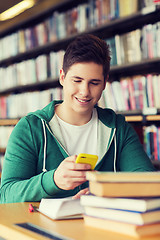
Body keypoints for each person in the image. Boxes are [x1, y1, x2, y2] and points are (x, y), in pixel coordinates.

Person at [0, 34, 156, 203]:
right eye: (77, 80)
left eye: (94, 83)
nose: (84, 92)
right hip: (42, 229)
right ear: (62, 77)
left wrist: (104, 191)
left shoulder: (118, 128)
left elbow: (147, 182)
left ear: (105, 83)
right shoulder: (31, 128)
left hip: (100, 226)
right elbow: (6, 195)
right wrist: (53, 180)